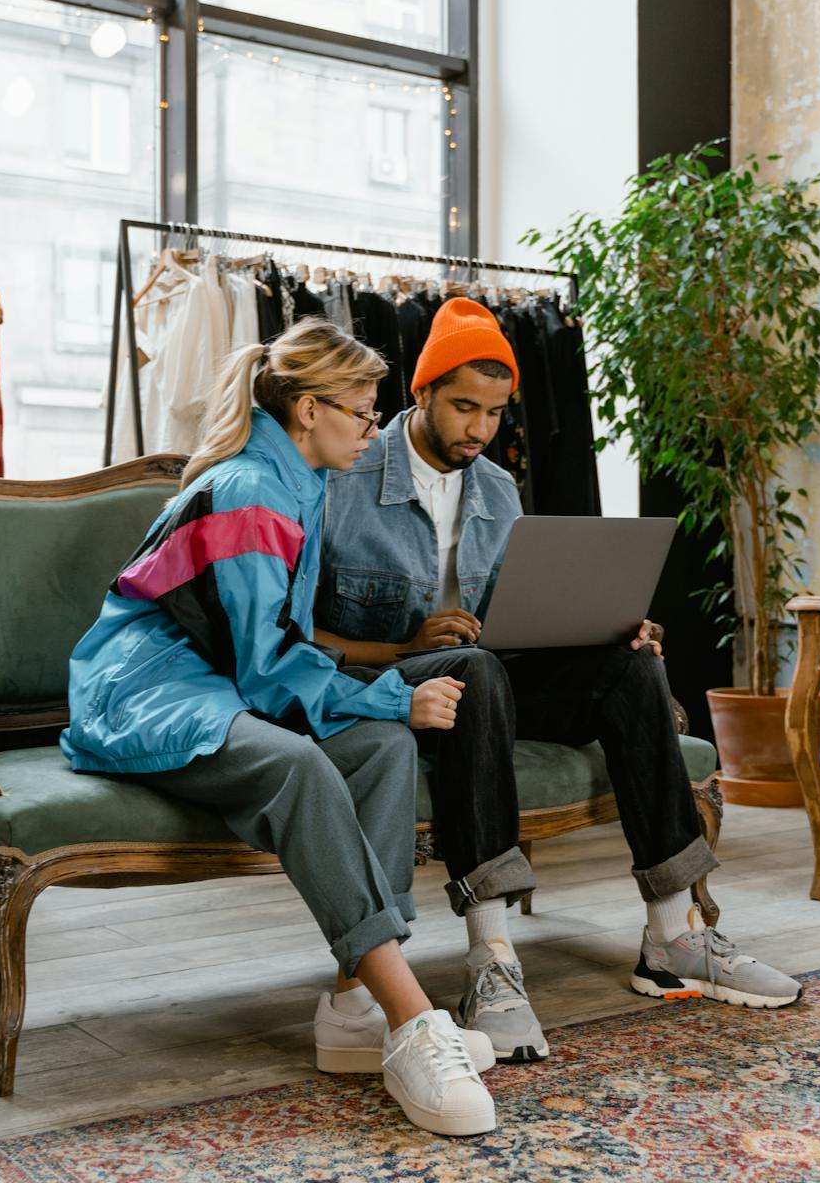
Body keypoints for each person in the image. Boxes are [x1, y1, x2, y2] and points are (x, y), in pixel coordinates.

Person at [314, 297, 803, 1063]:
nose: (479, 429)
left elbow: (523, 618)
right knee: (475, 670)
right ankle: (493, 960)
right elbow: (295, 633)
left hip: (490, 684)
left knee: (632, 664)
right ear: (422, 393)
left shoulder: (499, 491)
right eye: (463, 408)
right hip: (391, 689)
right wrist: (408, 643)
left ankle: (675, 935)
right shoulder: (343, 479)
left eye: (495, 413)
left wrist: (608, 626)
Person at [61, 318, 497, 1137]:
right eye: (364, 413)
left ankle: (353, 1009)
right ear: (307, 409)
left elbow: (279, 650)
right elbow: (267, 668)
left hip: (216, 682)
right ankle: (411, 1020)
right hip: (146, 691)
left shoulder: (301, 481)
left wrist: (386, 701)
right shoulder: (250, 490)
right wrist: (395, 693)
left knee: (380, 749)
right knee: (304, 762)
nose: (375, 430)